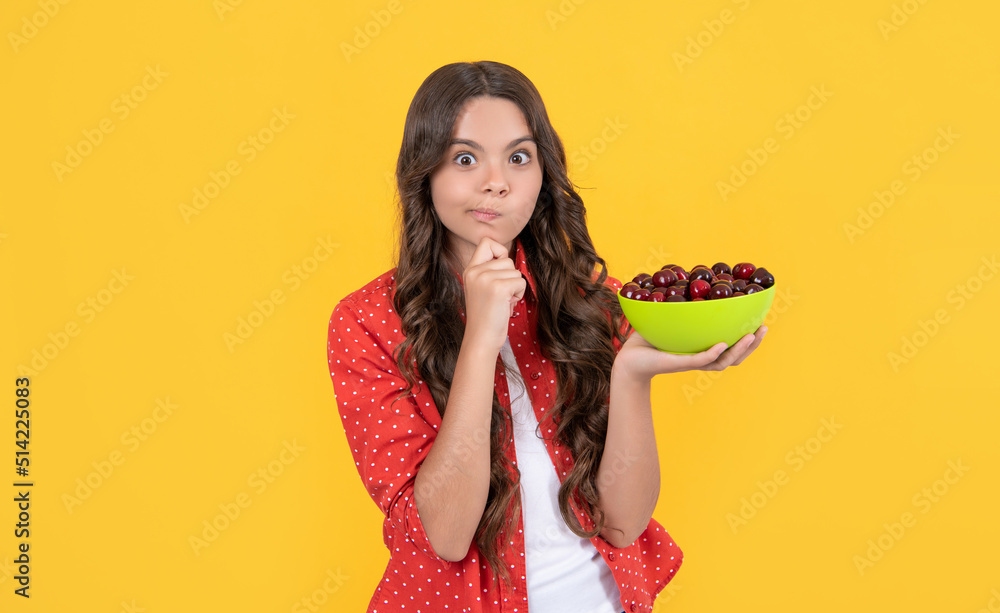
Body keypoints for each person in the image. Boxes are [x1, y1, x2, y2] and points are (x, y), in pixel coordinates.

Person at [326, 60, 766, 613]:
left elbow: (624, 527)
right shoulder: (365, 322)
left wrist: (631, 374)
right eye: (466, 158)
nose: (497, 181)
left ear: (542, 173)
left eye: (518, 156)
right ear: (425, 173)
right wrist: (481, 338)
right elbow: (445, 534)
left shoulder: (586, 302)